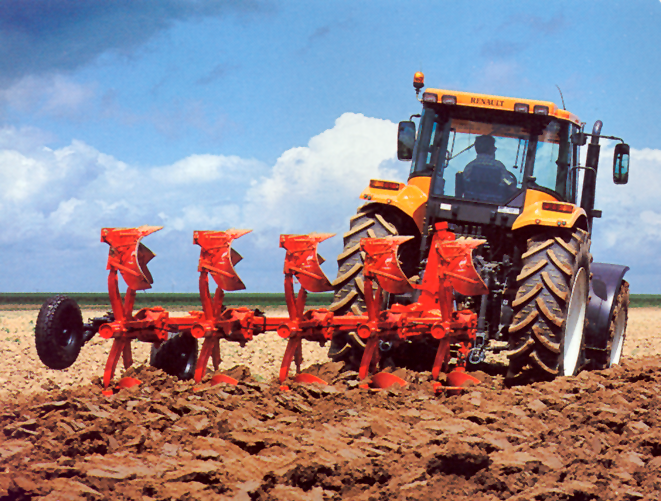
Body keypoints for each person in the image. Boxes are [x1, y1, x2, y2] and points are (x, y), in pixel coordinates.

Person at [461, 135, 516, 201]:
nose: (495, 149)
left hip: (472, 203)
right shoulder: (498, 166)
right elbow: (509, 184)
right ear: (490, 149)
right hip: (495, 204)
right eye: (494, 147)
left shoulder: (470, 166)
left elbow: (463, 184)